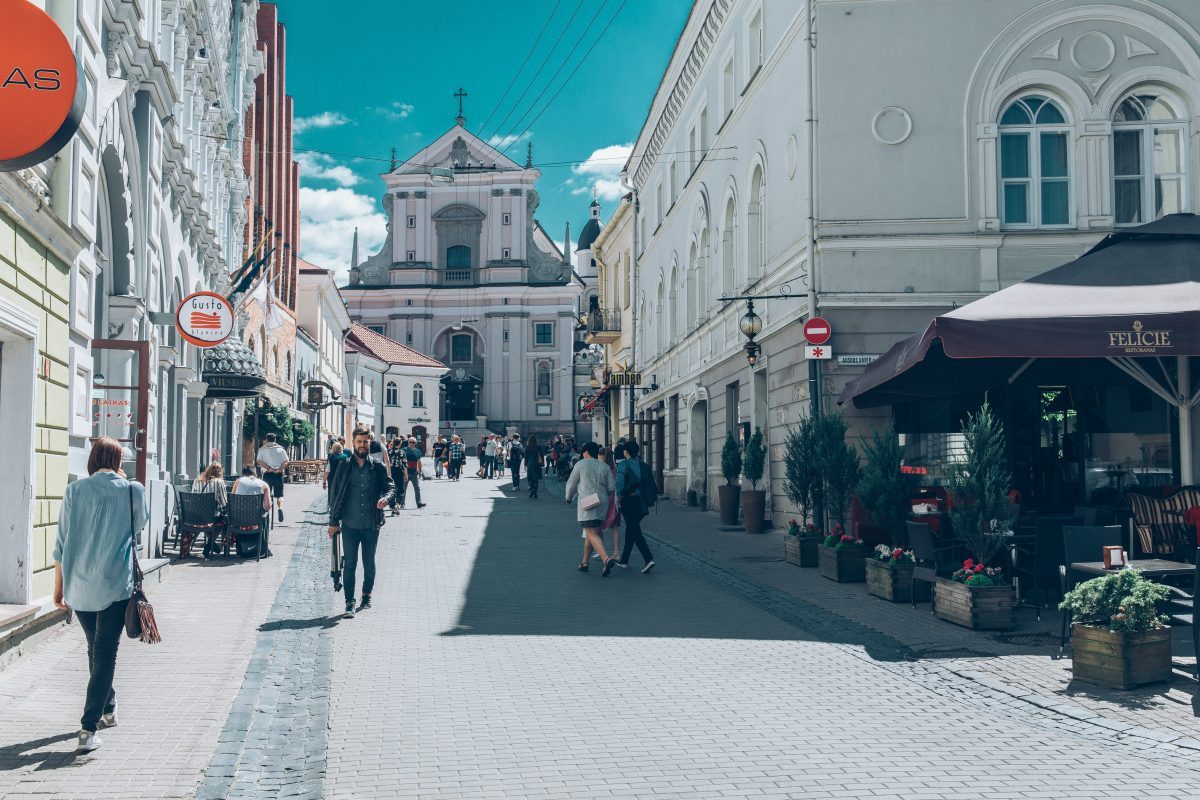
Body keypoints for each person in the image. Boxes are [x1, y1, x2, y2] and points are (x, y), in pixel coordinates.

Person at [53, 437, 148, 752]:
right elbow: (140, 527)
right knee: (103, 652)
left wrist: (58, 587)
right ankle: (88, 727)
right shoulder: (132, 490)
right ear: (120, 461)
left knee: (96, 649)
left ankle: (108, 708)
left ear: (92, 459)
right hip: (113, 584)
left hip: (78, 585)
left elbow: (61, 543)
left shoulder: (74, 491)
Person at [327, 426, 395, 617]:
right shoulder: (344, 466)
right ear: (353, 442)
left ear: (369, 442)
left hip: (371, 525)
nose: (362, 445)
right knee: (349, 564)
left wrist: (386, 499)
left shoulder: (377, 466)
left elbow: (391, 487)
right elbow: (335, 495)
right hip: (349, 524)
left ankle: (366, 596)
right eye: (359, 441)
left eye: (365, 442)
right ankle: (349, 602)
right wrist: (333, 522)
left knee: (369, 562)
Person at [565, 442, 617, 576]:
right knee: (593, 531)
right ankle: (584, 562)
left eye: (583, 452)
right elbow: (612, 487)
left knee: (590, 532)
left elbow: (571, 482)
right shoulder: (604, 466)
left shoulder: (581, 464)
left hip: (588, 502)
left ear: (587, 452)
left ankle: (605, 558)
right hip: (602, 502)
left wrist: (568, 497)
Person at [616, 439, 656, 573]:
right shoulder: (644, 465)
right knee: (631, 528)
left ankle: (648, 558)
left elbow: (620, 483)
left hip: (628, 501)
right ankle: (624, 560)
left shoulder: (624, 465)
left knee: (635, 530)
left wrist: (617, 498)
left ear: (626, 451)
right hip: (642, 502)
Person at [191, 462, 228, 558]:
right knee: (224, 521)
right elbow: (224, 503)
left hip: (197, 516)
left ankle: (210, 544)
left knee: (211, 521)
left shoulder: (197, 480)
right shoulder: (219, 482)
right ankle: (210, 544)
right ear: (220, 472)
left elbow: (193, 497)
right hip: (212, 517)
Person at [255, 432, 289, 523]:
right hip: (278, 474)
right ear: (275, 440)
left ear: (266, 439)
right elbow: (286, 461)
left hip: (268, 473)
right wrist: (280, 469)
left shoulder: (262, 449)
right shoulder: (281, 449)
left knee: (266, 494)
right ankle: (280, 508)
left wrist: (268, 468)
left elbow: (258, 460)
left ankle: (266, 514)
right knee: (280, 495)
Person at [399, 436, 427, 508]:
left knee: (417, 488)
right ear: (408, 442)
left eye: (413, 442)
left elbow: (419, 462)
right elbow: (400, 461)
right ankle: (402, 503)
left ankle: (419, 503)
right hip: (405, 472)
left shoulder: (417, 451)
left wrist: (420, 471)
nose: (411, 444)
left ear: (416, 443)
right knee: (403, 489)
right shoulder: (403, 450)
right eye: (410, 442)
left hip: (414, 472)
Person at [388, 438, 408, 513]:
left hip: (390, 472)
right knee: (400, 489)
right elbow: (404, 465)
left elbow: (385, 463)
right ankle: (397, 504)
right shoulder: (402, 452)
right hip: (399, 472)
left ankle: (393, 506)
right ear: (399, 444)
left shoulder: (388, 452)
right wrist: (406, 475)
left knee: (391, 489)